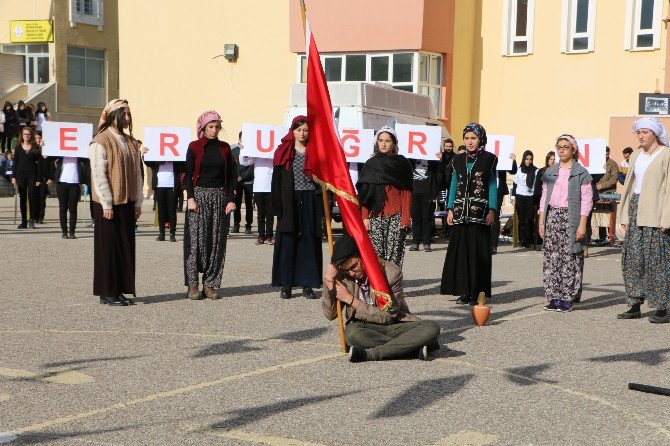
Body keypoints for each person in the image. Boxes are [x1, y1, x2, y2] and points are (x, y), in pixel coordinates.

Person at [322, 233, 441, 362]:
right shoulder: (344, 276)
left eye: (354, 266)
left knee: (431, 327)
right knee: (351, 335)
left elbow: (388, 316)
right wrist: (328, 282)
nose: (351, 273)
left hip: (395, 324)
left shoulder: (391, 273)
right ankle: (411, 347)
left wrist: (350, 300)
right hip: (365, 328)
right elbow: (330, 315)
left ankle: (372, 354)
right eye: (346, 270)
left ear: (363, 256)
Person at [89, 99, 144, 307]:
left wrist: (138, 201)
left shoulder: (131, 142)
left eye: (129, 115)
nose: (128, 119)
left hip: (127, 202)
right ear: (113, 116)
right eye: (124, 115)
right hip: (108, 204)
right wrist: (107, 203)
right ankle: (107, 292)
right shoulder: (100, 141)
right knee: (108, 248)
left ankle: (119, 289)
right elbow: (98, 174)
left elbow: (138, 174)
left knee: (124, 247)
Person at [616, 117, 670, 323]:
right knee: (633, 259)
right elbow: (629, 186)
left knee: (657, 261)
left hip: (656, 212)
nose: (641, 135)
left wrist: (667, 218)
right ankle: (635, 303)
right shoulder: (636, 155)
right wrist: (623, 216)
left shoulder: (666, 155)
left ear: (655, 133)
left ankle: (661, 307)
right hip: (634, 209)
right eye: (639, 132)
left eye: (645, 132)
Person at [440, 123, 498, 305]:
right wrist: (449, 209)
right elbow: (454, 184)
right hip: (459, 213)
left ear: (480, 139)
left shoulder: (489, 159)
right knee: (462, 253)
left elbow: (491, 185)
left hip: (480, 214)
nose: (470, 142)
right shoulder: (458, 160)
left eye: (473, 138)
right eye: (467, 138)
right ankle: (464, 291)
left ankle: (477, 292)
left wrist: (492, 209)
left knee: (477, 254)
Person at [183, 110, 237, 300]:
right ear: (203, 127)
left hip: (219, 198)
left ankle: (210, 284)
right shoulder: (194, 147)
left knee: (216, 242)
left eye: (217, 127)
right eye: (211, 127)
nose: (214, 130)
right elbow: (187, 174)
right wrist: (190, 197)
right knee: (195, 242)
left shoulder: (225, 148)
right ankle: (192, 285)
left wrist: (230, 199)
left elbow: (231, 176)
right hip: (198, 197)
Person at [538, 135, 593, 312]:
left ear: (573, 150)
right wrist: (541, 222)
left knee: (571, 256)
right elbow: (544, 198)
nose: (561, 150)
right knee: (552, 257)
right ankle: (554, 296)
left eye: (566, 147)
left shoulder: (581, 173)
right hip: (553, 216)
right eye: (559, 147)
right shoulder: (550, 172)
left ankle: (568, 296)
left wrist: (582, 224)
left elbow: (587, 200)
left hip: (572, 218)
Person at [271, 115, 322, 300]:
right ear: (292, 130)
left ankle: (307, 284)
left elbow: (323, 178)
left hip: (310, 199)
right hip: (289, 200)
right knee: (287, 242)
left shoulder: (315, 150)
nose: (302, 133)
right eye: (299, 129)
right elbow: (276, 181)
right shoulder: (284, 151)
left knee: (308, 242)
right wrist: (277, 207)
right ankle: (286, 284)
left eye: (306, 130)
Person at [357, 126, 412, 267]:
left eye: (387, 141)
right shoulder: (371, 164)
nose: (383, 144)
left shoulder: (402, 163)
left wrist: (405, 216)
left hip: (396, 216)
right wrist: (364, 216)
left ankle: (393, 286)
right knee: (376, 255)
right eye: (381, 140)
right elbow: (365, 194)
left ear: (394, 143)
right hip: (375, 215)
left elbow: (406, 192)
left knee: (395, 255)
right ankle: (378, 287)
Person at [144, 157, 185, 242]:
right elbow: (148, 163)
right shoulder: (156, 160)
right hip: (159, 186)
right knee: (161, 210)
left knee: (172, 210)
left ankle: (172, 234)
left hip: (172, 186)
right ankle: (161, 234)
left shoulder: (176, 161)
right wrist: (144, 154)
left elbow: (183, 166)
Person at [47, 154, 87, 239]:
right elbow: (49, 158)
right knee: (63, 208)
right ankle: (64, 231)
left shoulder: (79, 154)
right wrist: (44, 146)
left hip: (75, 184)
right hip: (62, 183)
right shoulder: (60, 154)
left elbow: (86, 160)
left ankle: (72, 231)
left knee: (73, 209)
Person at [11, 126, 43, 229]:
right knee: (23, 199)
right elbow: (15, 163)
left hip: (32, 175)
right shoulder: (18, 147)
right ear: (22, 135)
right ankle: (24, 221)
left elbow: (39, 164)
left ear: (31, 135)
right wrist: (13, 176)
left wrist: (39, 178)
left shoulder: (35, 147)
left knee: (32, 197)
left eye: (28, 134)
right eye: (24, 134)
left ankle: (32, 220)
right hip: (20, 175)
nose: (26, 136)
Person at [409, 157, 440, 252]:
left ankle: (426, 243)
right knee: (416, 219)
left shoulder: (431, 167)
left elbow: (439, 170)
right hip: (414, 195)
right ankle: (415, 242)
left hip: (427, 196)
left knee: (426, 219)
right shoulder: (411, 164)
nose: (424, 166)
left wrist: (433, 195)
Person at [511, 150, 538, 248]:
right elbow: (515, 184)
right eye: (527, 159)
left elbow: (538, 185)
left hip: (531, 196)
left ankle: (529, 239)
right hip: (520, 196)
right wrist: (513, 198)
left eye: (530, 159)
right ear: (524, 159)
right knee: (522, 219)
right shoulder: (519, 170)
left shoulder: (536, 170)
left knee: (530, 219)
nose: (528, 161)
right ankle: (522, 240)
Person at [491, 153, 518, 254]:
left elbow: (513, 171)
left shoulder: (502, 159)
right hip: (486, 189)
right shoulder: (486, 157)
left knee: (495, 216)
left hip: (498, 190)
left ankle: (493, 245)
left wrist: (513, 161)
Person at [231, 131, 254, 234]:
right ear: (239, 139)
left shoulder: (253, 151)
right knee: (237, 203)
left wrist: (242, 176)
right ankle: (236, 225)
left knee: (249, 204)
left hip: (249, 181)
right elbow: (232, 166)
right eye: (243, 139)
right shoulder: (234, 151)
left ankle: (248, 225)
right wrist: (236, 177)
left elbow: (252, 167)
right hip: (237, 182)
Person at [253, 155, 275, 245]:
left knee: (270, 214)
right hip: (258, 187)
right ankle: (261, 236)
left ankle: (269, 236)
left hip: (270, 186)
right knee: (260, 214)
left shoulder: (272, 152)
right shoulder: (255, 153)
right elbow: (244, 162)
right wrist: (243, 149)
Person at [34, 131, 49, 224]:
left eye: (39, 138)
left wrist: (43, 147)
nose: (38, 140)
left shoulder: (45, 150)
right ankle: (33, 216)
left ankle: (40, 217)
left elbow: (48, 162)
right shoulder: (31, 149)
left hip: (43, 178)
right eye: (36, 138)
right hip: (33, 177)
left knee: (42, 198)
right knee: (33, 198)